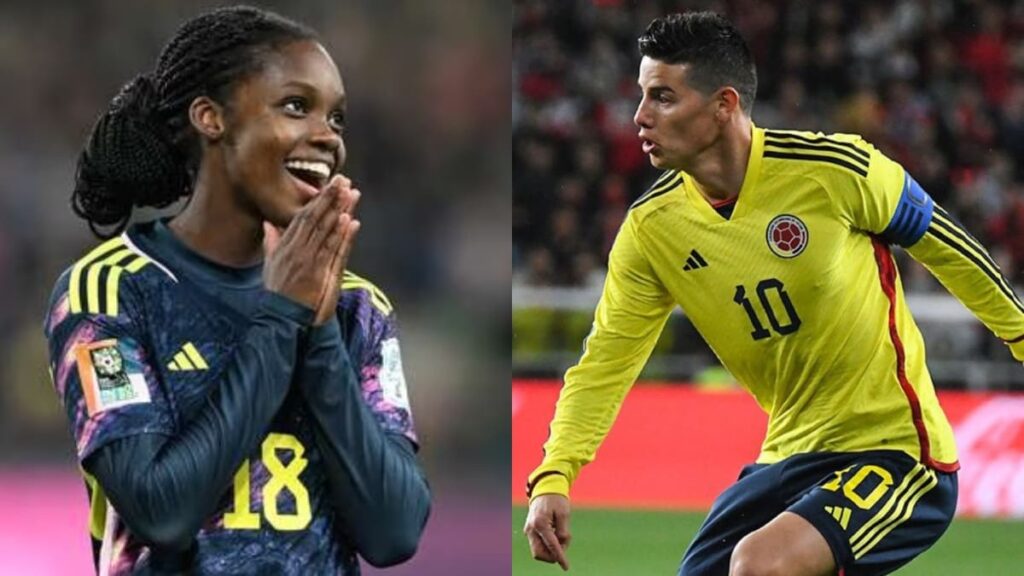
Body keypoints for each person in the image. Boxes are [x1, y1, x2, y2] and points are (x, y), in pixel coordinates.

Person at [523, 11, 1024, 576]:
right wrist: (555, 474)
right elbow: (605, 364)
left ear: (723, 105)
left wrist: (1020, 334)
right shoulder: (651, 230)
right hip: (787, 456)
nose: (639, 117)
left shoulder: (835, 171)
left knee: (761, 565)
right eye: (640, 96)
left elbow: (945, 244)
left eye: (662, 97)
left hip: (895, 452)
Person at [44, 6, 430, 574]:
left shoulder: (355, 306)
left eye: (338, 119)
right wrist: (279, 322)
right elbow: (162, 513)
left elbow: (394, 533)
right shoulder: (108, 293)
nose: (327, 138)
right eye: (297, 106)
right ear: (211, 118)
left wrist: (319, 335)